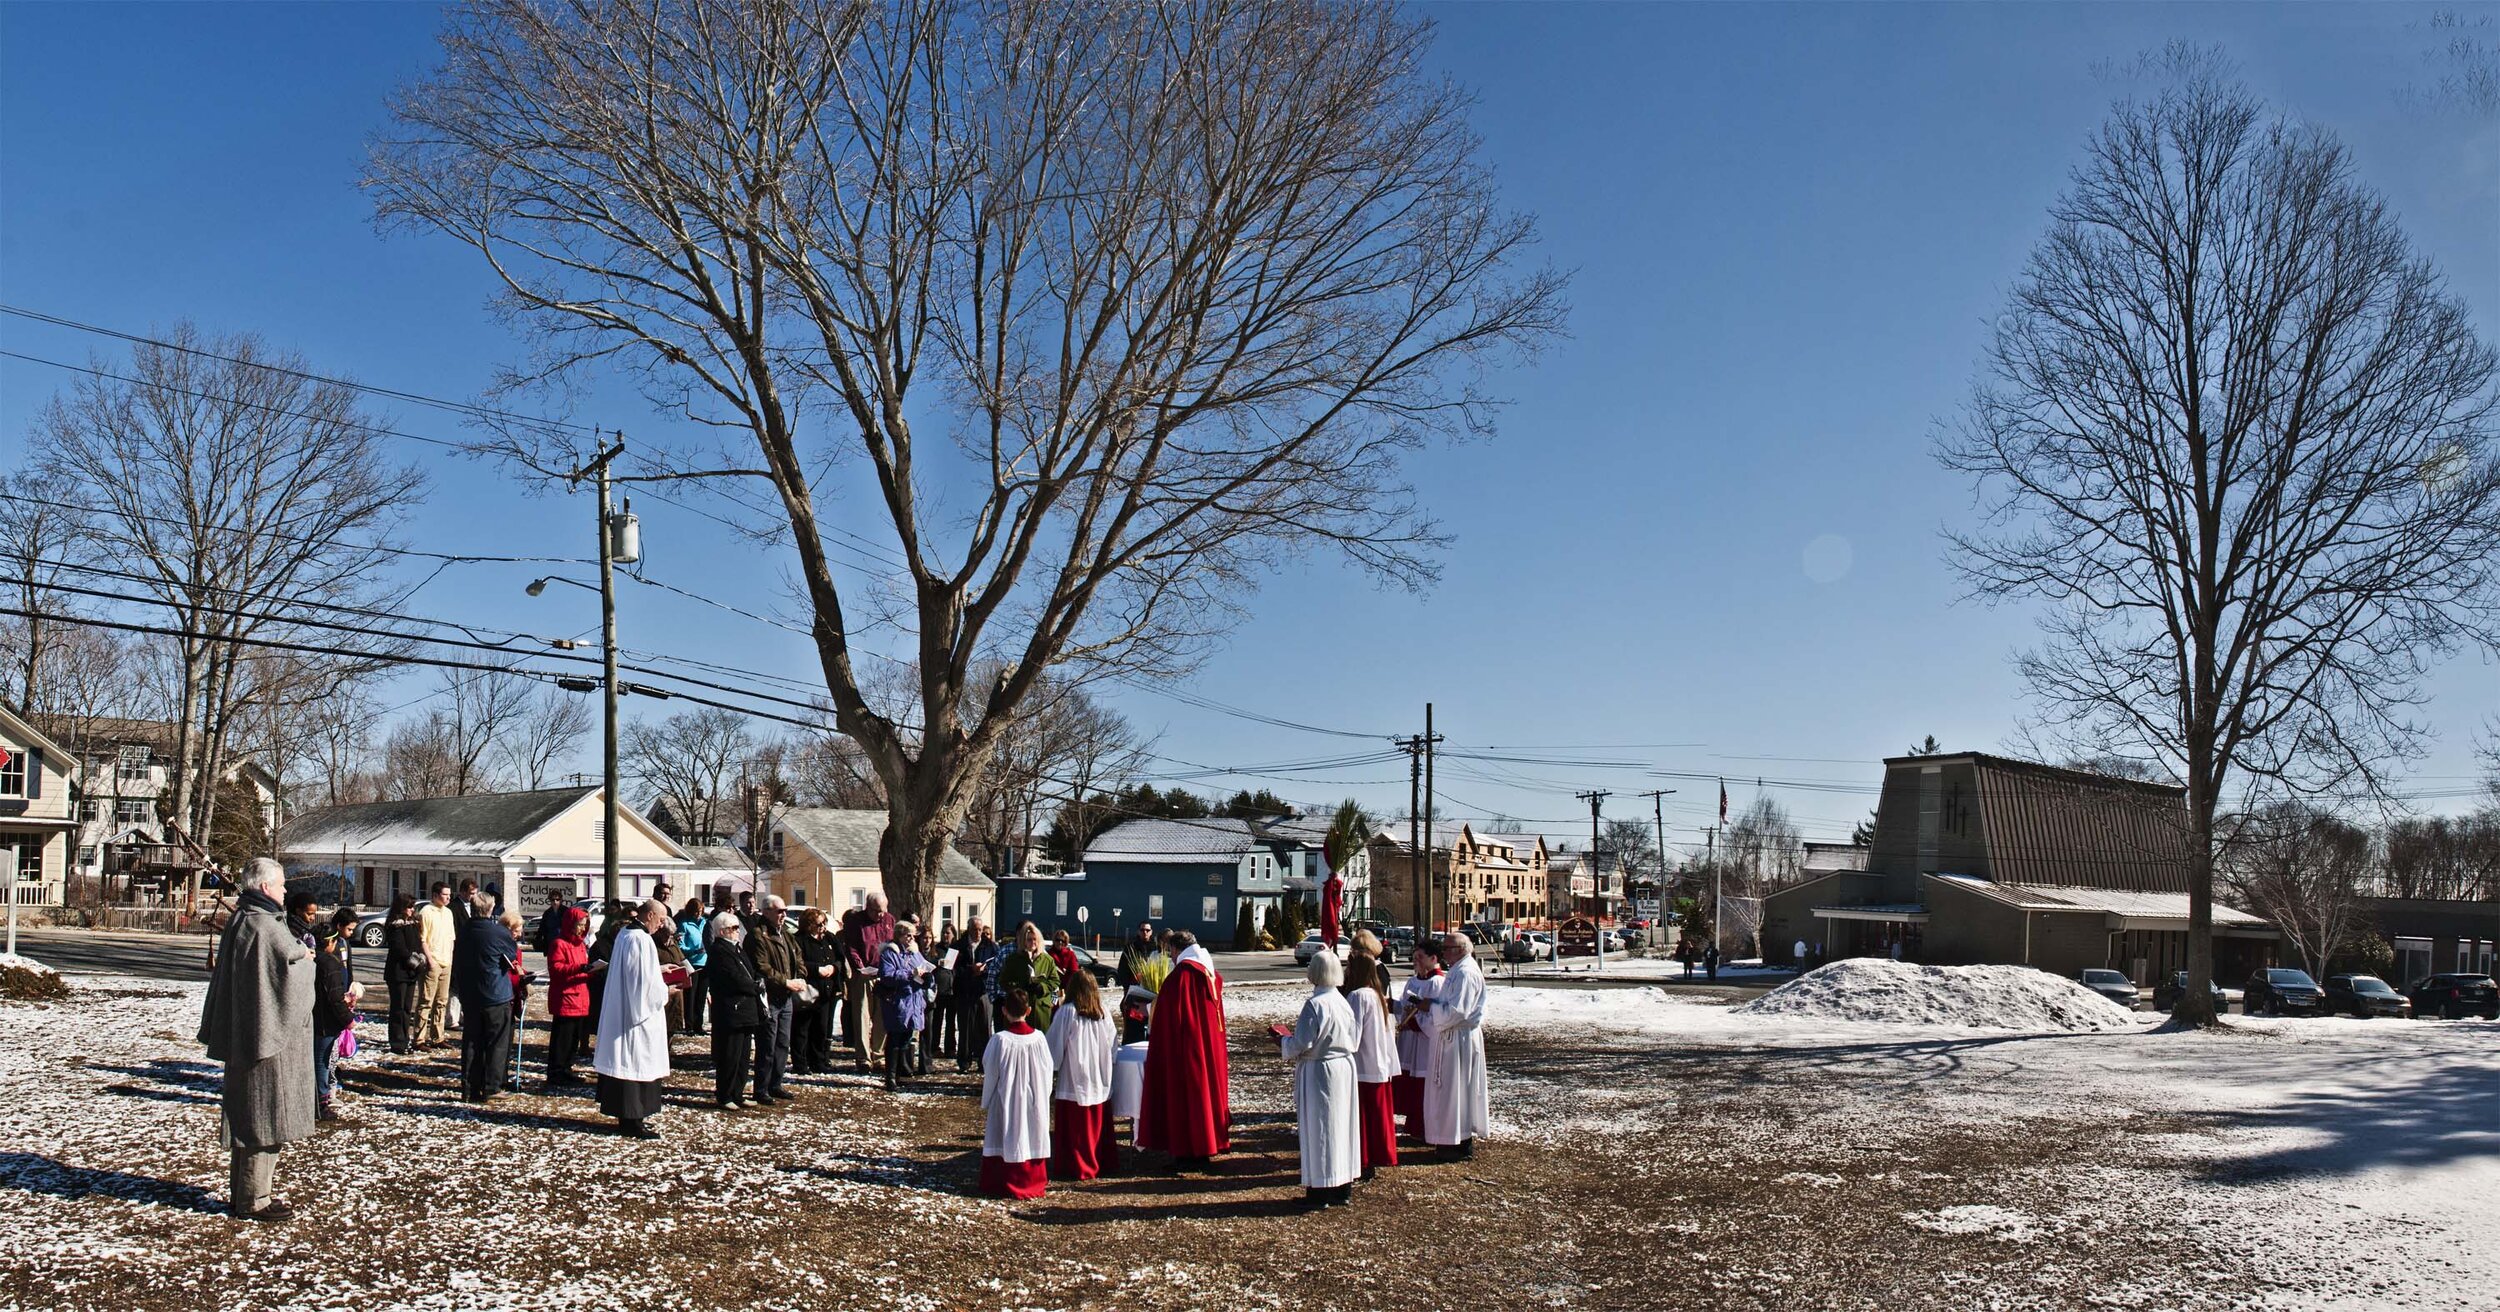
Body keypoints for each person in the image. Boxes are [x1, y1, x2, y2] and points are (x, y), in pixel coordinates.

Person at [198, 857, 314, 1221]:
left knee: (256, 1116)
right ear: (265, 887)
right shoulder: (263, 926)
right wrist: (308, 959)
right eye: (281, 885)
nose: (285, 891)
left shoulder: (245, 920)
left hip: (252, 1031)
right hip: (267, 1037)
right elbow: (285, 978)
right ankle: (254, 1199)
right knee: (263, 1118)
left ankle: (249, 1194)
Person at [1136, 929, 1229, 1169]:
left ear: (1176, 949)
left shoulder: (1182, 976)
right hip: (1207, 1048)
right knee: (1203, 1098)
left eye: (1171, 953)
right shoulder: (1211, 974)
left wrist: (1143, 1009)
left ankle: (1188, 1152)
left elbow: (1166, 1012)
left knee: (1187, 1100)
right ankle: (1204, 1148)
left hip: (1186, 1049)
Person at [594, 899, 682, 1137]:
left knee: (632, 1063)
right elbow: (640, 984)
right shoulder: (639, 939)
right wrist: (666, 991)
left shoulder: (626, 934)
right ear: (651, 915)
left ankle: (634, 1118)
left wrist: (658, 971)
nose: (662, 925)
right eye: (661, 919)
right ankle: (633, 1119)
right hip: (635, 1017)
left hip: (625, 1010)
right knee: (634, 1063)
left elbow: (637, 972)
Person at [1282, 952, 1360, 1210]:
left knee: (1320, 1128)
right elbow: (1355, 1039)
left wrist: (1283, 1042)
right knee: (1341, 1126)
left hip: (1320, 1070)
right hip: (1343, 1068)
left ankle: (1320, 1190)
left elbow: (1303, 1041)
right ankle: (1342, 1186)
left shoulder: (1315, 1005)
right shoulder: (1343, 1003)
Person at [977, 987, 1054, 1200]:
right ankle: (1032, 1179)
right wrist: (1042, 1095)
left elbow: (990, 1069)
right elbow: (1048, 1070)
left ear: (1004, 1011)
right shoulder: (1039, 1039)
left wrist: (988, 1097)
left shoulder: (1000, 1040)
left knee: (1007, 1132)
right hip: (1032, 1098)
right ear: (1028, 1010)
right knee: (1031, 1131)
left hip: (1007, 1097)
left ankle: (1001, 1179)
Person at [1047, 970, 1119, 1181]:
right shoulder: (1102, 1011)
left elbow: (1054, 1045)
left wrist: (1052, 1066)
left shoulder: (1067, 1012)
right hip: (1097, 1075)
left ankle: (1078, 1165)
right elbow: (1113, 1044)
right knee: (1096, 1123)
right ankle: (1101, 1160)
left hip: (1075, 1076)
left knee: (1078, 1128)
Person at [1423, 932, 1489, 1161]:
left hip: (1458, 1039)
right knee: (1450, 1092)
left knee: (1457, 1092)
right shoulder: (1457, 970)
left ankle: (1457, 1142)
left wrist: (1431, 1009)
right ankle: (1448, 1139)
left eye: (1448, 948)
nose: (1444, 953)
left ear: (1461, 949)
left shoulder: (1466, 973)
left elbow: (1457, 1011)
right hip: (1451, 1037)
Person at [453, 893, 519, 1103]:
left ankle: (469, 1088)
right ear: (490, 909)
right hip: (495, 993)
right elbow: (511, 954)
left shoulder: (464, 931)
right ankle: (492, 1086)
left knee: (472, 1042)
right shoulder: (497, 932)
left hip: (470, 994)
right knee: (497, 1043)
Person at [745, 894, 806, 1105]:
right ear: (767, 911)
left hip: (786, 997)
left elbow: (797, 957)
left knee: (783, 1042)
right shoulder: (757, 935)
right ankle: (761, 1088)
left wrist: (800, 977)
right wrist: (785, 981)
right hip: (769, 997)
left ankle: (775, 1083)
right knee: (767, 1044)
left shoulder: (787, 935)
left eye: (785, 911)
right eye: (779, 911)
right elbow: (761, 967)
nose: (784, 915)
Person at [1343, 953, 1399, 1179]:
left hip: (1363, 1064)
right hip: (1378, 1063)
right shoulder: (1376, 995)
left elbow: (1353, 1035)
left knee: (1364, 1117)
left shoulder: (1357, 996)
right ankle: (1374, 1157)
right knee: (1376, 1117)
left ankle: (1363, 1159)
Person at [705, 912, 765, 1110]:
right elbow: (733, 978)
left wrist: (757, 981)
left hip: (746, 1009)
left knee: (743, 1055)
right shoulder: (719, 951)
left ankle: (738, 1092)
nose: (738, 932)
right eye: (734, 928)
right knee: (729, 1054)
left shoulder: (737, 949)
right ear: (723, 931)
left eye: (738, 928)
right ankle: (725, 1094)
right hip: (731, 1010)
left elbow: (749, 970)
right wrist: (754, 987)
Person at [876, 921, 934, 1091]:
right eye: (907, 935)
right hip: (898, 1002)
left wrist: (928, 978)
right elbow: (887, 975)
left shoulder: (915, 953)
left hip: (914, 1001)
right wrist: (910, 974)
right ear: (898, 935)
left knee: (906, 1038)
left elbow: (925, 969)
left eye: (912, 935)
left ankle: (900, 1074)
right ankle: (891, 1077)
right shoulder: (890, 953)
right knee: (895, 1038)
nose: (911, 938)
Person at [1393, 941, 1441, 1141]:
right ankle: (1413, 1124)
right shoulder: (1413, 982)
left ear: (1433, 959)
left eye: (1420, 958)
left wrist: (1416, 1022)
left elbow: (1437, 1016)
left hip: (1425, 1043)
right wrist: (1393, 1007)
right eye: (1414, 958)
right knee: (1410, 1084)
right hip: (1410, 1040)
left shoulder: (1438, 983)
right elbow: (1404, 1006)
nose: (1416, 962)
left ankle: (1424, 1127)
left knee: (1423, 1084)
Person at [842, 894, 897, 1070]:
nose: (880, 915)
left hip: (884, 974)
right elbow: (851, 947)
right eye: (876, 911)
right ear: (868, 907)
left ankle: (878, 1055)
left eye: (883, 911)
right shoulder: (856, 921)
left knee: (882, 1017)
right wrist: (860, 968)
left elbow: (894, 945)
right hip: (864, 974)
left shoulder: (890, 920)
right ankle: (863, 1058)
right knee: (862, 1016)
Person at [544, 905, 594, 1087]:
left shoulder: (581, 945)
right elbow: (556, 969)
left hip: (580, 995)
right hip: (566, 997)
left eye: (584, 924)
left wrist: (592, 970)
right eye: (580, 924)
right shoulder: (559, 944)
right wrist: (579, 969)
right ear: (570, 924)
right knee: (562, 1039)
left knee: (573, 1039)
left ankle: (567, 1068)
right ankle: (556, 1072)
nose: (582, 928)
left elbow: (582, 968)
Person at [311, 924, 357, 1123]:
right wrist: (347, 1018)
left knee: (320, 1059)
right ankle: (321, 1103)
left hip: (315, 1017)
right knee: (322, 1061)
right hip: (326, 1021)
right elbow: (334, 998)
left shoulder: (313, 959)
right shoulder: (330, 964)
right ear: (330, 942)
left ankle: (318, 1099)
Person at [794, 907, 842, 1074]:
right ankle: (800, 1063)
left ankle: (818, 1060)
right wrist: (817, 969)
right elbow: (798, 963)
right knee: (802, 1028)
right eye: (819, 924)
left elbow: (840, 958)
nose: (822, 927)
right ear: (808, 925)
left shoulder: (829, 938)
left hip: (826, 990)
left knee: (821, 1028)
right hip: (807, 990)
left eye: (824, 923)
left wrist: (834, 968)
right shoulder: (799, 940)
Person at [995, 922, 1063, 1033]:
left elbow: (1055, 981)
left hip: (1040, 1010)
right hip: (1018, 1010)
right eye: (1029, 939)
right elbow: (1003, 982)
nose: (1033, 942)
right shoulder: (1014, 959)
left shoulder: (1047, 959)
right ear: (1023, 941)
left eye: (1035, 939)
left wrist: (1043, 987)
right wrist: (1019, 988)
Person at [381, 893, 426, 1055]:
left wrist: (420, 958)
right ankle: (397, 1041)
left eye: (413, 907)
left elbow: (418, 944)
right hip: (398, 972)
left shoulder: (413, 924)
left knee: (407, 1008)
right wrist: (414, 960)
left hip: (411, 972)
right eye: (409, 907)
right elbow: (399, 949)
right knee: (398, 1007)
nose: (411, 910)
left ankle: (405, 1038)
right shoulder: (395, 926)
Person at [954, 920, 999, 1073]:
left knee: (985, 1028)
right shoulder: (957, 945)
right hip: (965, 992)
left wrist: (983, 971)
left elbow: (995, 966)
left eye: (980, 929)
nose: (978, 933)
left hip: (983, 991)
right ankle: (964, 1062)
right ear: (968, 929)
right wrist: (970, 970)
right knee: (965, 1029)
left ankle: (984, 1062)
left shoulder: (990, 946)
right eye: (974, 929)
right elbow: (950, 967)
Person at [415, 883, 456, 1047]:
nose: (448, 897)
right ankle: (419, 1038)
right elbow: (422, 939)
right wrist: (430, 959)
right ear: (435, 895)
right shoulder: (426, 912)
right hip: (433, 961)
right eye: (445, 894)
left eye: (449, 895)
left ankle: (438, 1037)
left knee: (442, 1001)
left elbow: (451, 938)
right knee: (426, 1001)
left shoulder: (448, 913)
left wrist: (451, 958)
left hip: (447, 961)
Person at [1114, 921, 1167, 1045]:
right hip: (1135, 995)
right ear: (1138, 931)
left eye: (1147, 930)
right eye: (1142, 930)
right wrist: (1131, 985)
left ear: (1151, 932)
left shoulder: (1155, 949)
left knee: (1152, 1027)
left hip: (1153, 995)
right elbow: (1122, 971)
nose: (1145, 933)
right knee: (1134, 1026)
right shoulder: (1130, 948)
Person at [676, 898, 711, 1036]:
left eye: (701, 911)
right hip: (692, 963)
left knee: (701, 996)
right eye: (696, 911)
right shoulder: (684, 925)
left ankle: (699, 1024)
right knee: (691, 995)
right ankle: (689, 1025)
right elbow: (680, 946)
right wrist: (693, 950)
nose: (698, 914)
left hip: (705, 963)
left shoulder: (705, 923)